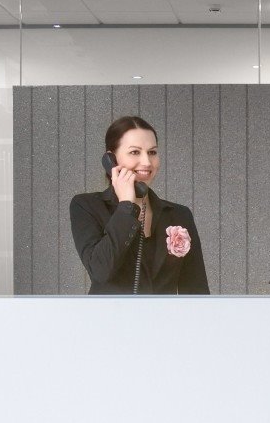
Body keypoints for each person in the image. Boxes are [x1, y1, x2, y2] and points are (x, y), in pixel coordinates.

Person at [69, 115, 210, 294]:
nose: (147, 162)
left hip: (164, 314)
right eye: (135, 152)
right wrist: (126, 205)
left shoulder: (179, 215)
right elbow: (100, 270)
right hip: (108, 313)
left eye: (152, 152)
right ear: (111, 159)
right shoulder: (86, 206)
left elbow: (197, 292)